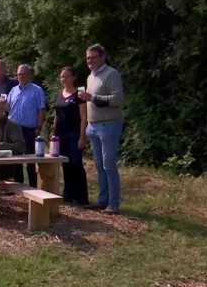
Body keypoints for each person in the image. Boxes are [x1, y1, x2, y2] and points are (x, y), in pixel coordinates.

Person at [78, 44, 125, 214]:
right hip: (93, 126)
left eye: (93, 57)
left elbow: (118, 99)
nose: (90, 60)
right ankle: (103, 200)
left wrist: (93, 97)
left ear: (102, 57)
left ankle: (113, 203)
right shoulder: (91, 77)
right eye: (88, 58)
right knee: (99, 165)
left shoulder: (111, 74)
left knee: (109, 165)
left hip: (109, 124)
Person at [53, 67, 89, 206]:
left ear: (74, 77)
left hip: (74, 134)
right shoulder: (59, 94)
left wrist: (82, 137)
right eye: (62, 77)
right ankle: (68, 194)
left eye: (67, 76)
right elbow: (56, 115)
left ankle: (81, 197)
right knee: (65, 164)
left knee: (76, 164)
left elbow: (84, 117)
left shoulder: (79, 94)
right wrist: (54, 134)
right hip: (61, 134)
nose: (64, 79)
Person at [6, 64, 46, 188]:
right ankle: (18, 186)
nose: (21, 77)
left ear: (29, 75)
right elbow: (8, 108)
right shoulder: (13, 90)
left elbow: (41, 110)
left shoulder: (37, 90)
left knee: (30, 159)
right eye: (19, 74)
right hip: (14, 129)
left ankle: (33, 187)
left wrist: (39, 127)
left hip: (29, 130)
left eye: (23, 74)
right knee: (15, 159)